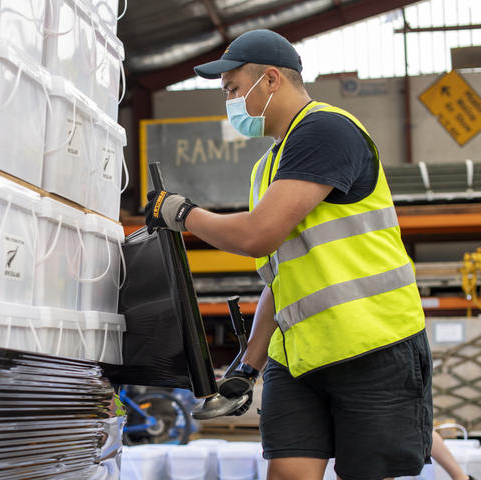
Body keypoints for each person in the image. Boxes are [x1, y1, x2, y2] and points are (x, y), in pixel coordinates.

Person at [143, 29, 433, 480]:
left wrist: (182, 214)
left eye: (234, 90)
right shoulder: (267, 167)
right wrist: (247, 367)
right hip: (299, 355)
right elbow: (281, 282)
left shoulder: (326, 129)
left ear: (272, 79)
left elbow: (258, 235)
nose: (231, 102)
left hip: (373, 345)